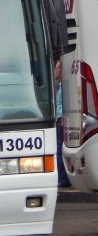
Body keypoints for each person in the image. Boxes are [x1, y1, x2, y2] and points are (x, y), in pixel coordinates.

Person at [55, 58, 71, 188]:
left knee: (59, 149)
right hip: (59, 118)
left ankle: (63, 178)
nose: (55, 70)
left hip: (61, 120)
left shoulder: (64, 86)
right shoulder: (60, 86)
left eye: (57, 68)